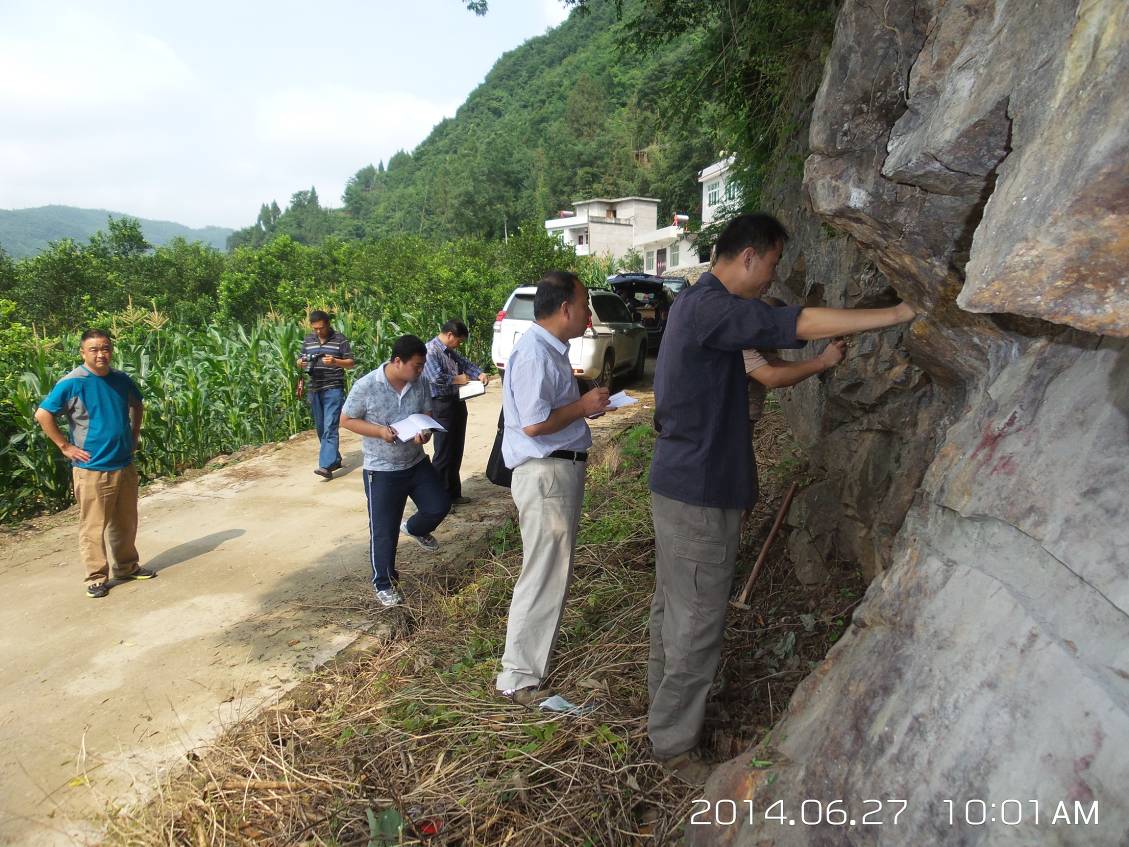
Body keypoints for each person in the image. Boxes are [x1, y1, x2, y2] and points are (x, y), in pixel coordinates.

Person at [647, 213, 916, 783]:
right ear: (749, 256)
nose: (772, 277)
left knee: (674, 609)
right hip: (698, 492)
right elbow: (799, 322)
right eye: (771, 264)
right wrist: (895, 313)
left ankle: (665, 716)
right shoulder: (712, 306)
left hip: (682, 484)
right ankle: (672, 747)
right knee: (695, 622)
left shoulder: (695, 304)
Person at [495, 271, 611, 704]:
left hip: (556, 471)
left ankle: (526, 668)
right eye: (584, 305)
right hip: (546, 473)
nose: (588, 314)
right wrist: (581, 406)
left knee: (549, 569)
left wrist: (581, 409)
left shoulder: (548, 350)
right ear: (565, 308)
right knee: (543, 572)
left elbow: (548, 412)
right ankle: (518, 677)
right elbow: (533, 423)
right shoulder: (535, 353)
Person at [34, 329, 156, 598]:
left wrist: (134, 435)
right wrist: (65, 447)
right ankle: (96, 578)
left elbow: (137, 405)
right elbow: (43, 415)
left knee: (126, 521)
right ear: (83, 353)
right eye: (94, 349)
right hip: (93, 468)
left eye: (106, 348)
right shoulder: (72, 382)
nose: (101, 354)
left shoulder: (121, 379)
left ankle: (127, 567)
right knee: (93, 526)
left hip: (123, 463)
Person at [339, 334, 451, 608]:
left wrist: (424, 433)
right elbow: (347, 419)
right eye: (417, 365)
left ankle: (415, 528)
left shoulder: (419, 382)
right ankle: (384, 583)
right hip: (382, 469)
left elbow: (426, 414)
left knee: (439, 505)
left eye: (422, 365)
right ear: (398, 361)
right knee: (384, 530)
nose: (421, 370)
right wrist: (379, 431)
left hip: (416, 462)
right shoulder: (367, 386)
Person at [745, 296, 847, 434]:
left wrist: (799, 371)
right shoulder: (737, 343)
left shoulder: (755, 343)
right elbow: (773, 377)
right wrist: (823, 361)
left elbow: (776, 365)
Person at [423, 319, 491, 504]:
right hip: (441, 405)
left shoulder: (449, 351)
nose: (459, 345)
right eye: (459, 341)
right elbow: (434, 377)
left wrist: (479, 373)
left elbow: (464, 363)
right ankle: (439, 499)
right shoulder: (431, 351)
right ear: (449, 335)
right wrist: (456, 379)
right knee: (444, 452)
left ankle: (453, 494)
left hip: (456, 401)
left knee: (456, 449)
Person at [297, 310, 354, 480]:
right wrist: (300, 363)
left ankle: (326, 466)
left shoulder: (340, 339)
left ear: (328, 324)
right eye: (314, 328)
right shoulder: (308, 340)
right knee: (321, 427)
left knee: (330, 426)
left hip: (333, 388)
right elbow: (300, 359)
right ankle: (334, 459)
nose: (318, 331)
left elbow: (351, 362)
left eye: (320, 328)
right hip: (314, 388)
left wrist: (336, 361)